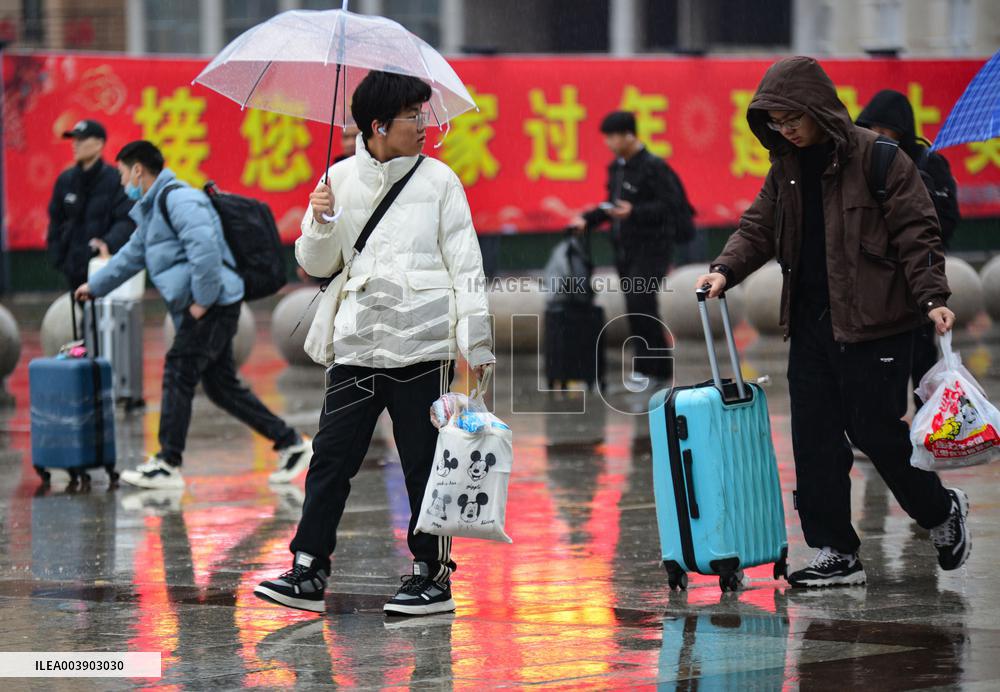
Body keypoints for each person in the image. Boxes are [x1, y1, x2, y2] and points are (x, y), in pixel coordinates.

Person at [694, 57, 969, 588]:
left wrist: (932, 295)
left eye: (791, 117)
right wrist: (725, 270)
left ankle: (941, 511)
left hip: (876, 323)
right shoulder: (786, 167)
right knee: (815, 437)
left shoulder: (880, 158)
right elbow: (758, 227)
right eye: (774, 122)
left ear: (817, 108)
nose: (785, 129)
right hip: (812, 323)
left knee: (877, 433)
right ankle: (835, 550)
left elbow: (918, 230)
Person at [254, 71, 494, 616]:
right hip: (357, 347)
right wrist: (318, 222)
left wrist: (475, 345)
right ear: (379, 125)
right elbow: (316, 266)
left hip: (423, 347)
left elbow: (467, 265)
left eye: (425, 115)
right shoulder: (337, 179)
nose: (426, 127)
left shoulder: (440, 182)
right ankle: (308, 569)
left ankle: (431, 575)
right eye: (415, 116)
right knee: (330, 460)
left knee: (424, 464)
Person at [75, 140, 312, 489]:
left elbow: (205, 251)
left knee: (178, 370)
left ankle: (168, 463)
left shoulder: (180, 200)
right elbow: (129, 257)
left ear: (138, 170)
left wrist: (202, 300)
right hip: (207, 305)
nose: (123, 181)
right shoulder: (153, 212)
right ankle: (290, 442)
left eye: (124, 173)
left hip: (213, 304)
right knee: (220, 387)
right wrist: (94, 286)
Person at [572, 111, 692, 389]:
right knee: (634, 306)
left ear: (629, 134)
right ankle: (652, 370)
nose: (609, 143)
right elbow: (612, 205)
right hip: (625, 249)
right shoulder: (617, 168)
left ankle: (654, 369)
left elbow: (672, 207)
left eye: (612, 137)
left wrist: (635, 212)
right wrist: (588, 221)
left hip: (652, 249)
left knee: (642, 303)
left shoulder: (654, 167)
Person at [856, 90, 962, 405]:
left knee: (921, 354)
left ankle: (933, 425)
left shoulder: (928, 162)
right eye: (870, 128)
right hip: (877, 278)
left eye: (883, 129)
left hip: (916, 275)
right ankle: (882, 428)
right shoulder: (862, 162)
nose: (876, 136)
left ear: (901, 130)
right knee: (879, 360)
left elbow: (947, 219)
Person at [47, 119, 135, 290]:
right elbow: (55, 221)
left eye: (81, 140)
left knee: (105, 316)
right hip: (72, 269)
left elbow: (126, 220)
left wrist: (105, 244)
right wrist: (58, 257)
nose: (75, 145)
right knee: (79, 315)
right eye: (74, 140)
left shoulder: (117, 179)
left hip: (106, 268)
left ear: (99, 144)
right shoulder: (65, 180)